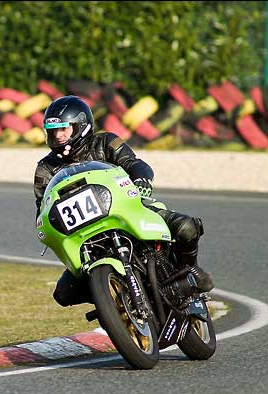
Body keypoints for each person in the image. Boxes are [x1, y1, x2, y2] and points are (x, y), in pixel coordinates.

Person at [34, 95, 213, 307]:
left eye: (64, 129)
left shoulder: (106, 141)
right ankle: (113, 301)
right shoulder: (45, 168)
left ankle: (190, 271)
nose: (59, 136)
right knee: (64, 294)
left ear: (80, 126)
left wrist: (141, 180)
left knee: (186, 227)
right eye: (53, 131)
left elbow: (134, 163)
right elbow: (43, 205)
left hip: (128, 208)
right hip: (85, 236)